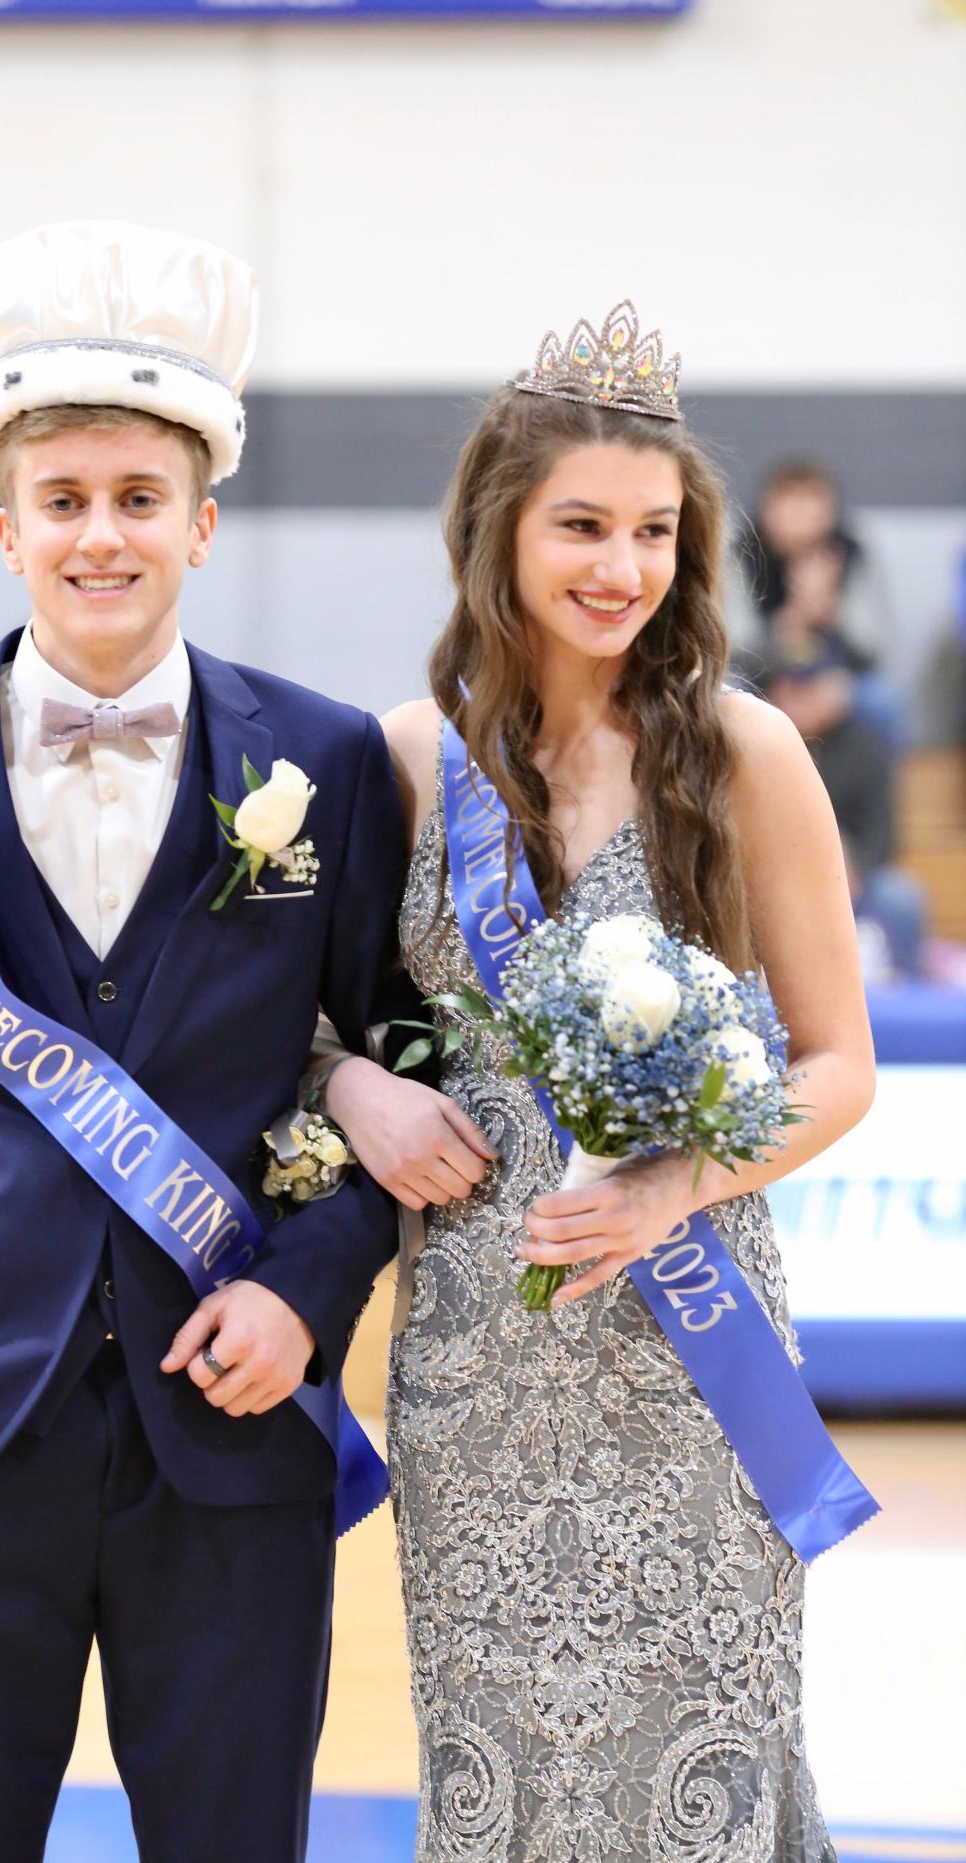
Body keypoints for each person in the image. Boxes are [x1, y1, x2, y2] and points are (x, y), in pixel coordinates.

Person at [0, 222, 407, 1863]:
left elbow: (380, 1066)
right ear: (4, 527)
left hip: (233, 1427)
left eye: (134, 499)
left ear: (200, 520)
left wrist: (305, 1283)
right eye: (63, 502)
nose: (98, 533)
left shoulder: (321, 758)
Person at [323, 304, 875, 1859]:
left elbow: (837, 1066)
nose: (617, 568)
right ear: (495, 529)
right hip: (476, 1371)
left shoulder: (744, 750)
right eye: (580, 524)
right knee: (499, 1789)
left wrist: (672, 1182)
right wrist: (357, 1090)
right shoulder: (396, 763)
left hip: (692, 1353)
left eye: (651, 531)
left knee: (710, 1774)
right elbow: (294, 1028)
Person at [764, 635, 926, 977]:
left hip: (855, 874)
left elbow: (883, 834)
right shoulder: (761, 744)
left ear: (832, 687)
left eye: (806, 685)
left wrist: (853, 866)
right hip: (780, 874)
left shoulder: (864, 743)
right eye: (787, 683)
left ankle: (907, 998)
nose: (795, 696)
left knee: (900, 898)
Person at [728, 458, 902, 753]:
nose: (801, 514)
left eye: (811, 500)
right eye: (789, 500)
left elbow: (872, 648)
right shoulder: (742, 554)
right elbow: (732, 647)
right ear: (767, 510)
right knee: (726, 701)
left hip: (836, 680)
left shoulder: (851, 553)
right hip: (760, 679)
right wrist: (793, 618)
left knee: (881, 703)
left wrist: (829, 613)